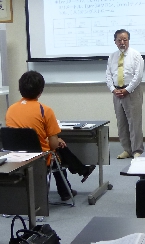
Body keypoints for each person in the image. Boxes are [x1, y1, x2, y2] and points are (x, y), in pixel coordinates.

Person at [5, 71, 95, 201]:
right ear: (40, 91)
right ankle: (68, 187)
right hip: (39, 159)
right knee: (56, 153)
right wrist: (55, 140)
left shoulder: (11, 109)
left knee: (56, 151)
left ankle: (74, 180)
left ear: (20, 89)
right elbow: (52, 145)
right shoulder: (44, 110)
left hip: (16, 157)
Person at [105, 29, 144, 159]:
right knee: (121, 123)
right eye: (119, 40)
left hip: (132, 91)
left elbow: (138, 76)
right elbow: (108, 75)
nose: (122, 42)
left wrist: (127, 90)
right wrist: (112, 89)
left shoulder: (136, 55)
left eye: (125, 40)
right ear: (115, 41)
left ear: (128, 40)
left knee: (134, 122)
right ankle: (127, 149)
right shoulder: (112, 56)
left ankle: (137, 150)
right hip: (116, 92)